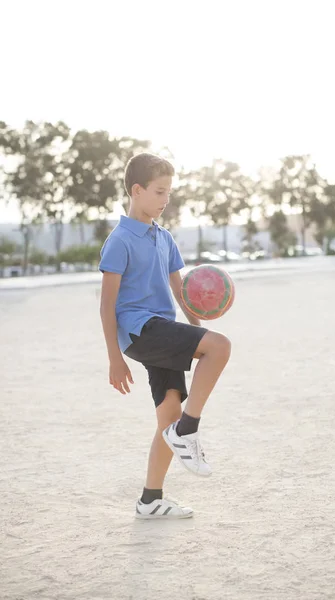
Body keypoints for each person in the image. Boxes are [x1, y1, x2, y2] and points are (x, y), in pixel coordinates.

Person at [99, 153, 231, 520]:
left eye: (169, 193)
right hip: (141, 331)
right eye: (159, 192)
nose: (165, 200)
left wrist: (197, 328)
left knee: (168, 417)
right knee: (221, 347)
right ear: (136, 190)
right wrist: (114, 357)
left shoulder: (165, 238)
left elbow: (181, 290)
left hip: (162, 330)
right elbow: (107, 305)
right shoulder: (119, 240)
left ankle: (150, 499)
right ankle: (189, 431)